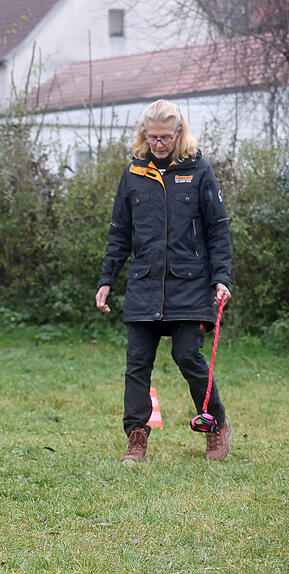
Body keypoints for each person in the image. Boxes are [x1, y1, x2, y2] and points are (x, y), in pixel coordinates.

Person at [96, 99, 233, 463]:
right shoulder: (133, 174)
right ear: (145, 134)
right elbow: (119, 232)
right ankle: (136, 436)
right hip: (144, 285)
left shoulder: (199, 170)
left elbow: (217, 229)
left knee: (187, 355)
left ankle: (216, 424)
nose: (158, 144)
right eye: (152, 137)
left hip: (190, 283)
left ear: (178, 133)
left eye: (165, 137)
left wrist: (221, 277)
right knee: (138, 363)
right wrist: (107, 279)